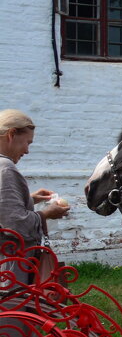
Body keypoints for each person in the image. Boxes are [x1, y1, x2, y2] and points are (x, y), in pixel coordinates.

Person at [0, 110, 70, 281]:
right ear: (11, 135)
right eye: (27, 143)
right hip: (11, 267)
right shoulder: (5, 168)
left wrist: (32, 199)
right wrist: (46, 214)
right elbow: (15, 223)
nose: (27, 151)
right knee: (13, 306)